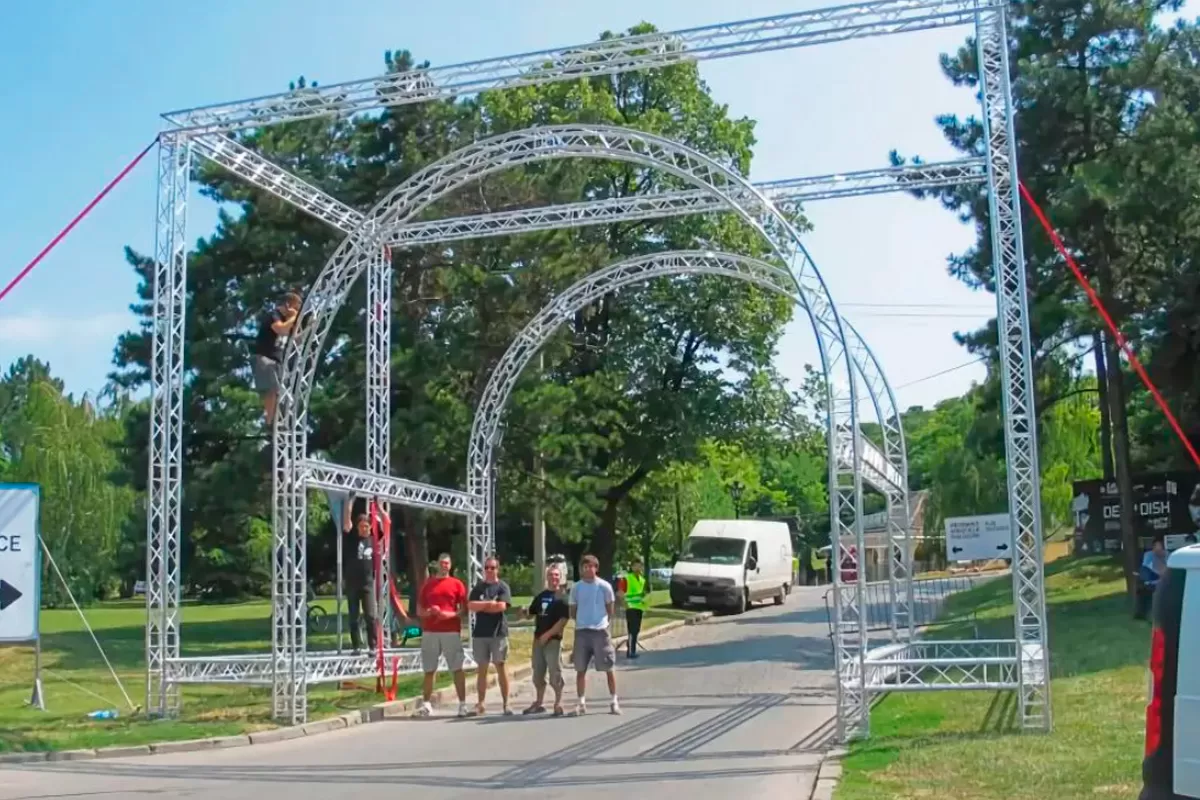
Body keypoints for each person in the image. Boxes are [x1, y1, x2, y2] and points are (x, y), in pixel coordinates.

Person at [415, 553, 469, 717]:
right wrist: (429, 612)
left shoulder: (457, 584)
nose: (444, 566)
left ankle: (462, 704)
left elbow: (464, 609)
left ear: (450, 566)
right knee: (429, 669)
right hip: (430, 631)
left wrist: (449, 614)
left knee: (457, 668)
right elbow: (419, 610)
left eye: (447, 563)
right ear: (437, 565)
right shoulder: (428, 584)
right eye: (441, 563)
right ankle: (426, 704)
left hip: (450, 631)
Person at [569, 554, 620, 716]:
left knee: (608, 667)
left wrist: (602, 622)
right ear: (581, 569)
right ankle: (581, 702)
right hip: (582, 631)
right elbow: (572, 610)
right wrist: (582, 621)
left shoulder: (604, 586)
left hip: (600, 632)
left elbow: (610, 609)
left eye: (591, 566)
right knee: (580, 668)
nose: (588, 569)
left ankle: (614, 701)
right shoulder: (576, 588)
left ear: (596, 568)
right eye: (585, 567)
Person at [467, 556, 513, 716]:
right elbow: (471, 606)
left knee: (501, 666)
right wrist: (489, 604)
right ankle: (480, 703)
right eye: (486, 568)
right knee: (482, 669)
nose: (489, 571)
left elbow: (501, 606)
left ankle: (506, 704)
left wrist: (484, 607)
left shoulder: (502, 587)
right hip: (480, 634)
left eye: (492, 568)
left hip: (498, 633)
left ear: (497, 569)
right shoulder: (479, 588)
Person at [523, 563, 570, 716]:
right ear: (547, 577)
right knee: (537, 674)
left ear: (560, 578)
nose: (553, 578)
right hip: (538, 640)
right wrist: (523, 612)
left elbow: (562, 622)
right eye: (551, 575)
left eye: (556, 575)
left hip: (553, 641)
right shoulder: (541, 596)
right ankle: (539, 702)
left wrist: (548, 635)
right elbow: (531, 613)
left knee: (554, 674)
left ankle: (558, 702)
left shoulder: (562, 598)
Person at [253, 292, 301, 426]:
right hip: (265, 358)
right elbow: (281, 330)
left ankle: (278, 420)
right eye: (295, 308)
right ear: (287, 305)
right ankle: (269, 421)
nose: (297, 312)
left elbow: (296, 340)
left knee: (281, 392)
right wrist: (294, 317)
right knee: (272, 388)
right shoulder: (274, 315)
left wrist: (308, 328)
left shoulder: (287, 321)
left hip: (278, 361)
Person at [341, 506, 379, 654]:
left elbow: (383, 522)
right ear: (357, 528)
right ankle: (356, 646)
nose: (364, 529)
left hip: (367, 583)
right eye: (362, 526)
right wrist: (349, 504)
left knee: (370, 615)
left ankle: (372, 646)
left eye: (367, 526)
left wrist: (378, 504)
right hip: (352, 583)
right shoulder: (352, 538)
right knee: (354, 616)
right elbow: (346, 522)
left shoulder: (373, 540)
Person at [617, 558, 649, 659]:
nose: (638, 568)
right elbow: (620, 593)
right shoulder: (627, 578)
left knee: (636, 630)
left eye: (640, 565)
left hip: (639, 608)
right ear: (632, 567)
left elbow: (641, 594)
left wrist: (644, 601)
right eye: (636, 565)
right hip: (630, 608)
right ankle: (631, 651)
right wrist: (625, 604)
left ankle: (631, 646)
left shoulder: (642, 580)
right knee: (632, 630)